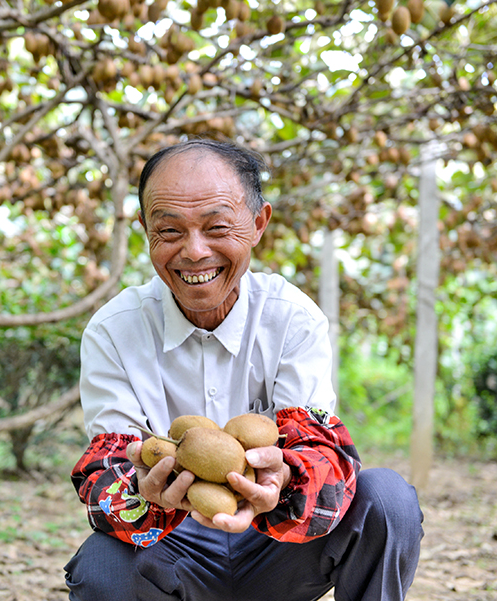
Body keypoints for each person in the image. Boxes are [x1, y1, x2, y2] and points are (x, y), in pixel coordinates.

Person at [64, 139, 424, 601]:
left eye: (216, 226)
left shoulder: (292, 318)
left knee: (386, 501)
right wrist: (140, 491)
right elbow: (106, 468)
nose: (194, 252)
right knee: (101, 565)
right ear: (145, 230)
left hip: (280, 546)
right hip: (174, 548)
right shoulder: (113, 330)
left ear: (258, 224)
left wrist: (287, 477)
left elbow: (318, 448)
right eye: (170, 231)